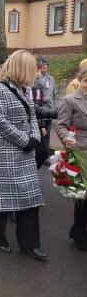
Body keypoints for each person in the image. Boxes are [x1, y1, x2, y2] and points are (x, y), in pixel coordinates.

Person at [0, 50, 47, 261]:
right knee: (3, 199)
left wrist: (34, 138)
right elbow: (0, 122)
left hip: (24, 152)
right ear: (22, 68)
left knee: (30, 197)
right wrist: (24, 139)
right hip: (4, 153)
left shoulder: (25, 90)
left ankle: (30, 244)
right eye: (32, 68)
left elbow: (32, 116)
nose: (36, 72)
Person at [56, 66, 87, 251]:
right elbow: (61, 125)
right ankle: (79, 232)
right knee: (83, 196)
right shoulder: (70, 100)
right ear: (80, 80)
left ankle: (78, 229)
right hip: (80, 151)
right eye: (86, 80)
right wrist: (66, 137)